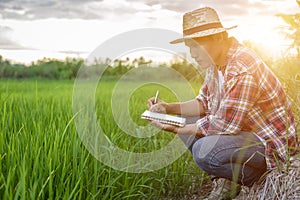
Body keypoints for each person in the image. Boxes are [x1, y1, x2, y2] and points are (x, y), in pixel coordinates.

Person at [147, 7, 299, 199]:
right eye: (189, 47)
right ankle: (226, 179)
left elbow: (225, 125)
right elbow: (203, 102)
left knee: (203, 151)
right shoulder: (216, 64)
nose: (192, 54)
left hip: (268, 141)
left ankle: (254, 178)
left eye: (197, 46)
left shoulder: (242, 66)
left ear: (219, 38)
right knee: (186, 118)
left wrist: (177, 128)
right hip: (244, 132)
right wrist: (168, 107)